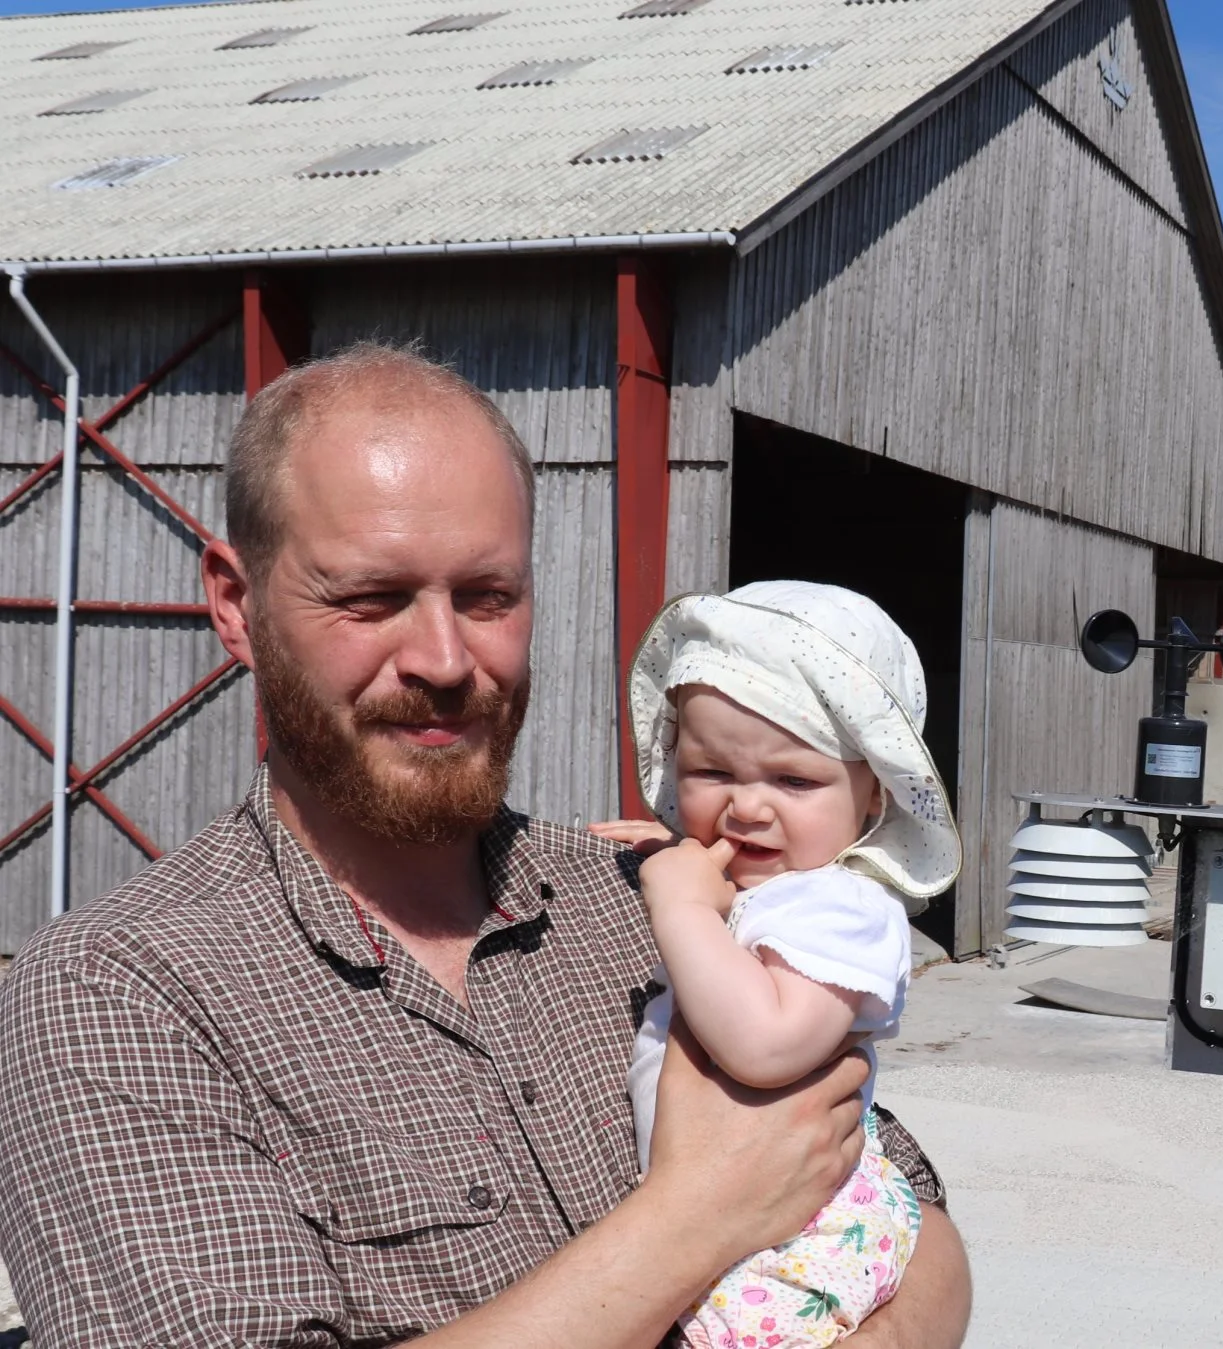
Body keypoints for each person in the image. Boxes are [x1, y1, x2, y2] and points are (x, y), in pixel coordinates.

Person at [0, 343, 971, 1347]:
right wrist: (696, 1211)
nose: (446, 659)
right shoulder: (119, 992)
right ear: (236, 605)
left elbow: (918, 1230)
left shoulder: (644, 895)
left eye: (487, 596)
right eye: (370, 598)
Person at [599, 582, 961, 1348]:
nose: (747, 808)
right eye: (710, 773)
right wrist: (678, 861)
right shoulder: (768, 892)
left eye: (793, 780)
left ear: (872, 801)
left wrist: (683, 906)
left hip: (790, 1244)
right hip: (724, 1219)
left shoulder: (846, 909)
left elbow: (766, 1045)